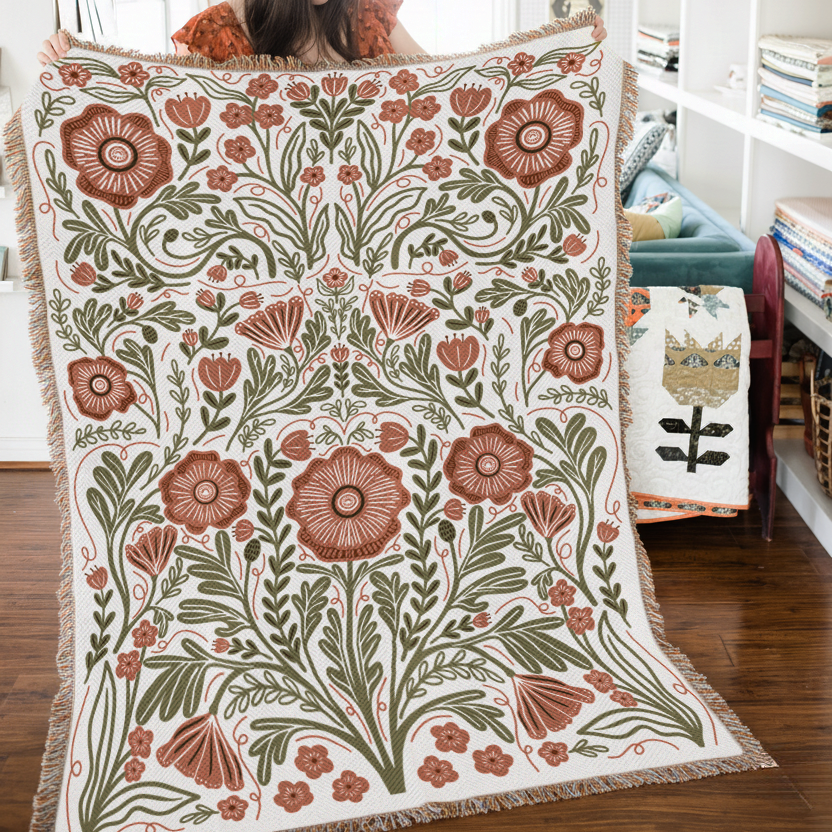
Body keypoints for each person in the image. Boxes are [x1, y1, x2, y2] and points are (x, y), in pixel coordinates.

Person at [38, 1, 606, 66]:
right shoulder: (212, 35)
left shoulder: (369, 17)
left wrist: (561, 57)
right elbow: (156, 114)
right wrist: (75, 70)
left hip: (383, 246)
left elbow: (458, 88)